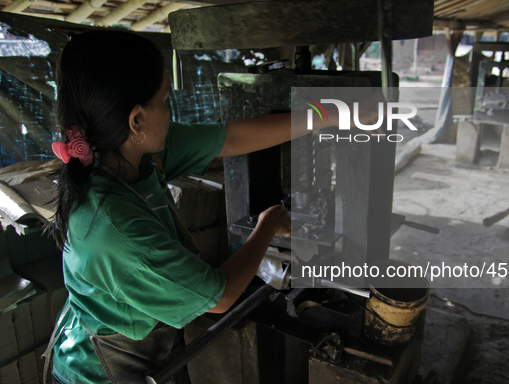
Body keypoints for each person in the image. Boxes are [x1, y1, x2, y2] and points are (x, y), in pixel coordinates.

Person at [44, 29, 314, 384]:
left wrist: (328, 115)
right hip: (97, 374)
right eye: (166, 101)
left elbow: (230, 137)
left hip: (137, 346)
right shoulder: (117, 231)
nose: (170, 113)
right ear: (136, 120)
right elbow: (221, 295)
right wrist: (268, 225)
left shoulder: (128, 155)